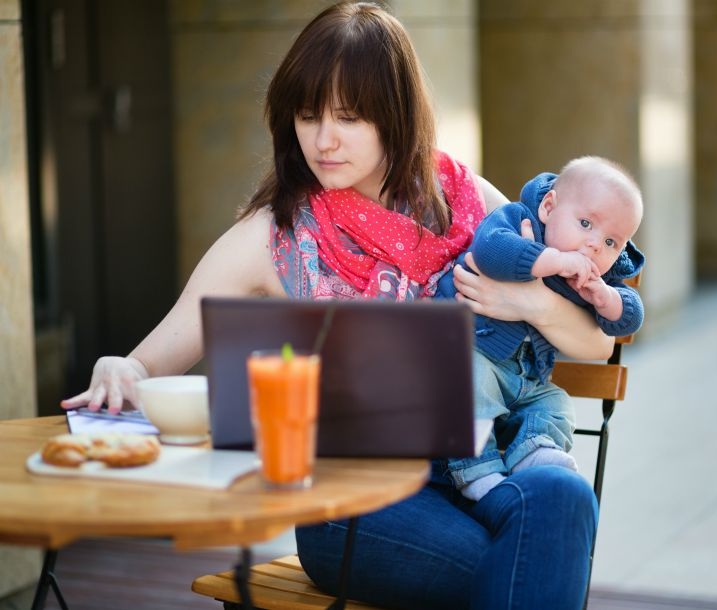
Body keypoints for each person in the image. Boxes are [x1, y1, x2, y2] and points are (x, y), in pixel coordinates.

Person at [62, 3, 615, 608]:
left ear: (396, 117)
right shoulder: (270, 237)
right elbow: (154, 358)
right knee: (531, 556)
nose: (322, 141)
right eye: (307, 115)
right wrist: (123, 369)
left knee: (563, 503)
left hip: (491, 458)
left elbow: (596, 341)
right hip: (356, 502)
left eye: (348, 118)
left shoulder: (471, 204)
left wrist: (523, 299)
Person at [436, 156, 645, 502]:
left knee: (557, 405)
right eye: (585, 223)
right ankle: (475, 469)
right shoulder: (519, 219)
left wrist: (606, 296)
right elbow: (490, 249)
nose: (594, 245)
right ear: (549, 207)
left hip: (529, 380)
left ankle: (534, 451)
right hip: (474, 352)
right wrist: (553, 261)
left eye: (612, 243)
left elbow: (630, 315)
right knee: (468, 383)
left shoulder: (598, 275)